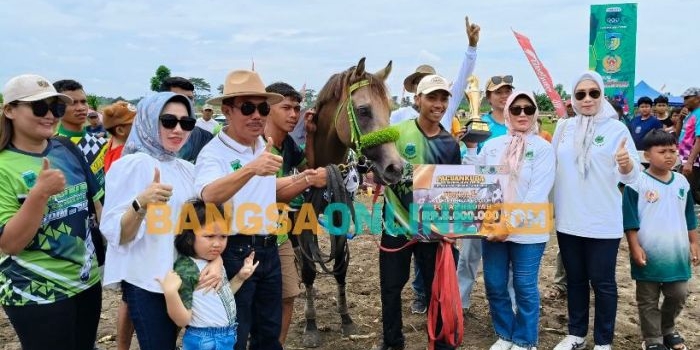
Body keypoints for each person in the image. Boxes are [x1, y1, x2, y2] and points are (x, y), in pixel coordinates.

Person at [101, 91, 222, 350]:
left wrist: (217, 259)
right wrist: (140, 204)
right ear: (148, 121)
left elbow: (204, 226)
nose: (178, 129)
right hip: (148, 283)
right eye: (168, 121)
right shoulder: (132, 165)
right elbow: (118, 234)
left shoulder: (187, 169)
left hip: (183, 278)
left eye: (186, 123)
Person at [0, 74, 102, 350]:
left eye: (55, 108)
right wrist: (39, 195)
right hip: (35, 293)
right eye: (38, 107)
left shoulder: (66, 149)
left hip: (86, 282)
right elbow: (10, 243)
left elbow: (95, 205)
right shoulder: (3, 166)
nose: (49, 115)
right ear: (9, 110)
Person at [195, 69, 285, 350]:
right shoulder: (213, 153)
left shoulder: (262, 145)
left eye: (262, 108)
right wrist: (251, 169)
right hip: (236, 251)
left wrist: (305, 178)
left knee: (269, 330)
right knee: (235, 329)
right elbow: (209, 194)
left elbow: (266, 190)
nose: (257, 115)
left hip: (268, 248)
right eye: (247, 107)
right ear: (228, 111)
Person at [552, 71, 641, 350]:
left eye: (593, 93)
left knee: (603, 283)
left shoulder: (617, 130)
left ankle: (604, 341)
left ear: (602, 95)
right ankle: (576, 334)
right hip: (568, 219)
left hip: (603, 221)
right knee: (575, 280)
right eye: (581, 94)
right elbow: (551, 168)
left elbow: (634, 177)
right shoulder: (563, 128)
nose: (587, 99)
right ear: (573, 99)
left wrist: (626, 165)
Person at [374, 74, 461, 350]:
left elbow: (454, 192)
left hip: (432, 232)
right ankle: (392, 342)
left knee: (437, 291)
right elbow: (370, 152)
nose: (438, 104)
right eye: (432, 97)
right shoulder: (397, 134)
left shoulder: (450, 145)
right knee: (391, 288)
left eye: (443, 98)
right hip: (396, 226)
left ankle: (439, 343)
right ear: (418, 100)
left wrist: (452, 229)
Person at [464, 91, 555, 350]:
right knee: (494, 284)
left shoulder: (543, 148)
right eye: (516, 109)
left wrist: (510, 224)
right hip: (494, 230)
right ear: (508, 113)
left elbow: (538, 193)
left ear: (535, 113)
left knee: (525, 286)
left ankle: (526, 340)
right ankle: (505, 334)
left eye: (528, 109)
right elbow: (477, 181)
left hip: (528, 231)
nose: (522, 114)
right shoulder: (493, 145)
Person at [263, 81, 328, 346]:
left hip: (279, 232)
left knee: (288, 294)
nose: (294, 115)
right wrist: (307, 181)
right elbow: (274, 192)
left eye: (297, 108)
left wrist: (310, 134)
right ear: (267, 109)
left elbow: (308, 166)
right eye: (286, 108)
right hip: (252, 232)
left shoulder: (288, 143)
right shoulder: (257, 146)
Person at [622, 129, 699, 350]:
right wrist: (634, 247)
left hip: (677, 251)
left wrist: (694, 243)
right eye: (662, 151)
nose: (669, 156)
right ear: (647, 155)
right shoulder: (636, 182)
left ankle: (667, 329)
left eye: (673, 151)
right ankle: (653, 339)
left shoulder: (682, 182)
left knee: (679, 293)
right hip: (648, 251)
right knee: (647, 299)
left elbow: (689, 215)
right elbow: (630, 220)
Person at [158, 199, 258, 350]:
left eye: (223, 237)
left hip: (226, 337)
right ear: (189, 236)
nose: (217, 243)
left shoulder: (214, 263)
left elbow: (223, 295)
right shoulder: (187, 267)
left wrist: (240, 277)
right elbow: (182, 320)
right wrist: (171, 293)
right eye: (209, 236)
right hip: (205, 340)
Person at [458, 74, 515, 315]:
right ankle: (460, 303)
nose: (504, 96)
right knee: (470, 254)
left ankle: (511, 305)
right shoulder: (479, 123)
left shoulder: (519, 121)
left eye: (507, 91)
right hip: (481, 197)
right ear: (488, 98)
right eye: (498, 92)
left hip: (510, 198)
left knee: (511, 259)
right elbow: (469, 162)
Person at [53, 79, 108, 190]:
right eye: (72, 103)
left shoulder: (102, 142)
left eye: (83, 102)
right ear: (57, 108)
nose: (81, 108)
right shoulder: (53, 148)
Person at [160, 77, 215, 163]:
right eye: (179, 98)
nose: (186, 102)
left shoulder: (204, 138)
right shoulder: (145, 139)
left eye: (190, 98)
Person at [677, 87, 700, 204]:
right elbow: (677, 135)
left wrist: (690, 162)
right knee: (685, 191)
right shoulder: (690, 115)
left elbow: (699, 139)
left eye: (687, 98)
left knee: (688, 194)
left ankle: (689, 220)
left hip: (693, 161)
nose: (684, 102)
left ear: (697, 98)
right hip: (685, 159)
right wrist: (680, 119)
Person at [102, 101, 136, 173]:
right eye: (135, 124)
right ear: (120, 130)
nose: (139, 126)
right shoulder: (123, 156)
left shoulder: (113, 142)